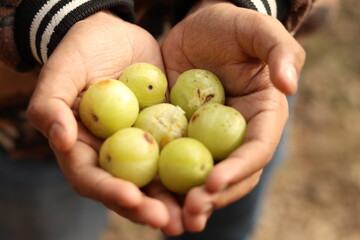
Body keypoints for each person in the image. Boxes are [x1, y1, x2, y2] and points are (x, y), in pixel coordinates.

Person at [0, 0, 337, 239]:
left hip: (244, 70)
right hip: (30, 121)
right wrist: (58, 12)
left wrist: (251, 5)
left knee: (227, 216)